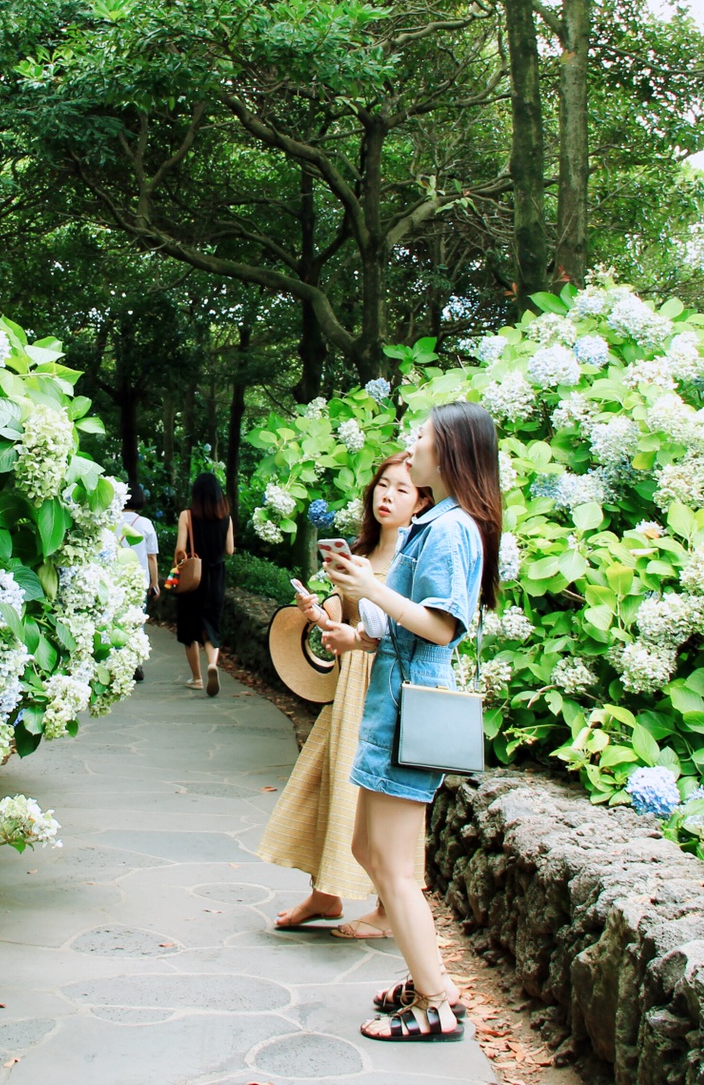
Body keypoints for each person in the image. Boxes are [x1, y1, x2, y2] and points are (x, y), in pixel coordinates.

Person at [300, 402, 500, 1043]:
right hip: (392, 706)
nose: (410, 445)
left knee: (392, 868)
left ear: (450, 453)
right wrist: (351, 635)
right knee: (368, 851)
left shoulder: (451, 530)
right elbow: (400, 633)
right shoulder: (435, 524)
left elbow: (441, 627)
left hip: (411, 713)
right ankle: (426, 978)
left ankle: (437, 1001)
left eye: (422, 436)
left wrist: (370, 584)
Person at [259, 453, 427, 940]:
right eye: (382, 486)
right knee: (330, 779)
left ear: (420, 502)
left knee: (382, 792)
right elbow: (345, 623)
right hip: (352, 681)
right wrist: (315, 612)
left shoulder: (416, 557)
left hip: (389, 680)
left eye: (401, 489)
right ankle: (325, 891)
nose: (387, 496)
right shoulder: (359, 555)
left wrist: (357, 628)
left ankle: (387, 905)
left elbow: (406, 627)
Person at [175, 472, 234, 696]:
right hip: (216, 575)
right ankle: (212, 663)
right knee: (211, 624)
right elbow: (229, 550)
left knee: (190, 627)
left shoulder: (186, 516)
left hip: (193, 576)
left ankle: (197, 678)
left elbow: (180, 548)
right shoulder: (226, 517)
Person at [119, 492, 159, 681]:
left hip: (114, 579)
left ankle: (116, 662)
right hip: (138, 580)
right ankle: (135, 663)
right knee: (137, 621)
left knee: (115, 620)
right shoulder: (145, 523)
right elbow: (152, 556)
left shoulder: (111, 520)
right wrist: (154, 582)